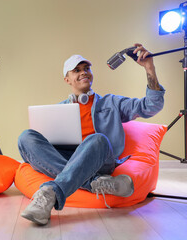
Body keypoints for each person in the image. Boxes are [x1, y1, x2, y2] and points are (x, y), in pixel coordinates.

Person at [17, 43, 165, 225]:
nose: (83, 72)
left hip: (100, 159)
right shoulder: (57, 110)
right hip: (69, 159)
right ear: (67, 80)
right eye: (77, 70)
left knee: (97, 139)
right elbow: (41, 149)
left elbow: (150, 107)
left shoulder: (111, 103)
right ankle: (95, 183)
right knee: (26, 137)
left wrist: (149, 68)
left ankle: (50, 193)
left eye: (86, 68)